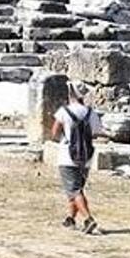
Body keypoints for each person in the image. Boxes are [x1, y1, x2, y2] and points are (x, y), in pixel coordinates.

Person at [50, 81, 104, 234]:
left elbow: (54, 133)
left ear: (70, 94)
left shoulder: (63, 111)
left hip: (67, 155)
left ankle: (88, 219)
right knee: (76, 188)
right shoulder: (90, 112)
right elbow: (96, 132)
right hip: (86, 155)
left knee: (74, 190)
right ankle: (70, 218)